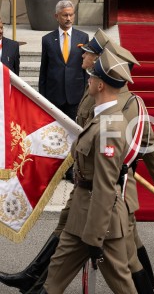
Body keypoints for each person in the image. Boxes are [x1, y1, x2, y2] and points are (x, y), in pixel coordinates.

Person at [0, 29, 154, 294]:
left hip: (112, 190)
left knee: (126, 255)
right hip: (86, 186)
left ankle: (147, 289)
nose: (82, 54)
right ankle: (34, 277)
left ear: (99, 62)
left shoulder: (124, 104)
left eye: (88, 52)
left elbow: (147, 142)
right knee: (66, 241)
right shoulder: (95, 90)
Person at [41, 49, 137, 294]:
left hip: (99, 223)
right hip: (79, 215)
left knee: (121, 283)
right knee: (54, 278)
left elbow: (105, 185)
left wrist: (95, 237)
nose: (89, 80)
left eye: (93, 77)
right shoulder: (100, 118)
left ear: (101, 85)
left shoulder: (110, 126)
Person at [38, 0, 89, 121]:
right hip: (54, 96)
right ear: (56, 16)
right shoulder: (47, 40)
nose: (69, 18)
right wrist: (42, 97)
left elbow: (86, 69)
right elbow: (44, 70)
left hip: (75, 95)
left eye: (71, 15)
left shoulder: (83, 37)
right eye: (65, 15)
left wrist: (85, 95)